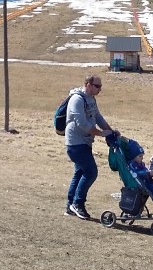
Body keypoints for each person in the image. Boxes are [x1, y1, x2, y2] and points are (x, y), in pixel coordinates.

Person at [64, 74, 116, 220]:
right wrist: (101, 134)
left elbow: (98, 117)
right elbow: (82, 124)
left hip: (85, 142)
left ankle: (70, 206)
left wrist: (111, 131)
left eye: (101, 86)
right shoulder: (76, 99)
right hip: (75, 142)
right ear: (88, 84)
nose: (100, 89)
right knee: (91, 172)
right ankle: (78, 204)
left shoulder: (91, 99)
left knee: (80, 172)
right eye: (97, 86)